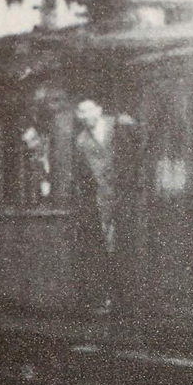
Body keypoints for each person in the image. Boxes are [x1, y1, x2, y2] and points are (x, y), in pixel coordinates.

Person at [73, 98, 134, 312]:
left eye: (87, 111)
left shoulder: (118, 125)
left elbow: (132, 156)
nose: (84, 116)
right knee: (109, 247)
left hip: (126, 194)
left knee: (129, 244)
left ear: (98, 110)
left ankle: (129, 297)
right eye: (80, 113)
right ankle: (114, 298)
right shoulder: (81, 141)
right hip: (103, 200)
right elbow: (84, 176)